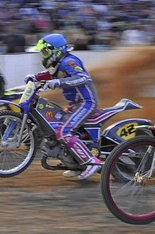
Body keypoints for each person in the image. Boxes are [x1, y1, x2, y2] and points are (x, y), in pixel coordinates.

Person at [24, 33, 100, 180]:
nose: (43, 55)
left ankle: (91, 162)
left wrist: (58, 82)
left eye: (45, 52)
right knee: (57, 129)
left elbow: (83, 77)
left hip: (86, 102)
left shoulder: (69, 61)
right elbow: (50, 74)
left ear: (56, 50)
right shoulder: (59, 64)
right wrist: (35, 77)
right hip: (75, 105)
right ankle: (76, 165)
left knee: (64, 132)